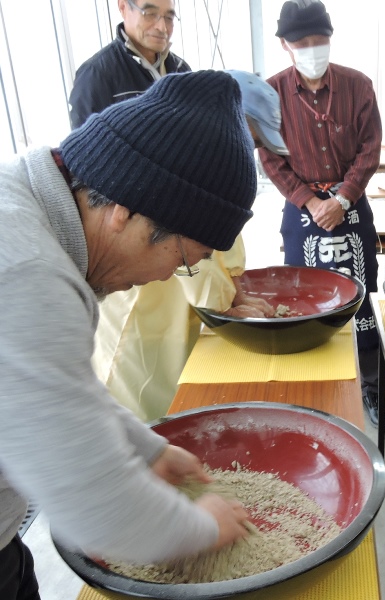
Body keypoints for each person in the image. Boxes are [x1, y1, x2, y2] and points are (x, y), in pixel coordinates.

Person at [0, 70, 257, 597]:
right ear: (125, 210)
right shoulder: (28, 274)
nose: (167, 276)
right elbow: (92, 504)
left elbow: (60, 395)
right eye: (186, 258)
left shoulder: (26, 211)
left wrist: (146, 447)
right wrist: (205, 527)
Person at [89, 69, 289, 422]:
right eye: (253, 139)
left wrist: (235, 290)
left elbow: (216, 242)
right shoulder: (191, 155)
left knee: (167, 394)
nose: (250, 150)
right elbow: (191, 248)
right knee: (133, 394)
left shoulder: (218, 166)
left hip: (170, 286)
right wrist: (221, 304)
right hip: (142, 305)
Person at [259, 0, 385, 428]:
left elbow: (370, 149)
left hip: (351, 206)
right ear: (285, 45)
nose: (313, 49)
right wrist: (312, 201)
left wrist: (344, 198)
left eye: (321, 41)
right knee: (305, 298)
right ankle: (315, 390)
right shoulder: (272, 92)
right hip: (302, 210)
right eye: (303, 43)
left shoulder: (358, 86)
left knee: (362, 295)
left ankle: (371, 386)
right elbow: (270, 157)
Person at [68, 0, 189, 129]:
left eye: (169, 18)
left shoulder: (181, 69)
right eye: (150, 14)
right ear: (123, 7)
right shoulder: (95, 75)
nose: (162, 27)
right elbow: (85, 146)